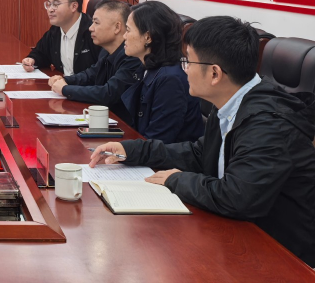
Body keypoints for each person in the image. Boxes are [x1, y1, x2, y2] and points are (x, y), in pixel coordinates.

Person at [90, 16, 315, 267]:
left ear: (215, 73)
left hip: (284, 258)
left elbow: (238, 197)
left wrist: (176, 180)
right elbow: (200, 153)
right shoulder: (232, 102)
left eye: (188, 61)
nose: (184, 69)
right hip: (242, 237)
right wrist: (133, 150)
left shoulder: (267, 124)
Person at [118, 1, 203, 143]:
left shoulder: (170, 80)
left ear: (148, 37)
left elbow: (159, 141)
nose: (124, 36)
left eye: (128, 30)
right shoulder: (147, 68)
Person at [49, 0, 142, 122]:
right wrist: (65, 80)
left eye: (96, 23)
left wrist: (65, 89)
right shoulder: (106, 51)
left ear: (117, 27)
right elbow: (91, 74)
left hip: (123, 124)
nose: (90, 28)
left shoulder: (132, 57)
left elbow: (108, 93)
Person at [22, 0, 100, 76]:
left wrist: (69, 82)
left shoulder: (93, 32)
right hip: (63, 83)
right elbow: (41, 53)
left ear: (74, 6)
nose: (50, 9)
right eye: (49, 4)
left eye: (56, 4)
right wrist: (32, 60)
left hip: (85, 85)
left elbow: (99, 71)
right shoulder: (55, 30)